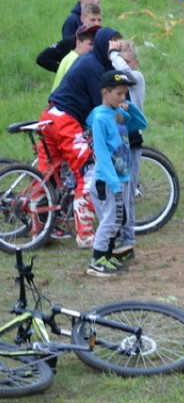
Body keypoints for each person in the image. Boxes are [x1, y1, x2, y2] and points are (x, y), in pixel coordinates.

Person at [40, 26, 124, 248]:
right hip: (64, 121)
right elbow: (102, 106)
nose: (116, 49)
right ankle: (86, 235)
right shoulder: (94, 66)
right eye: (112, 44)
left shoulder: (92, 61)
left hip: (51, 115)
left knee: (47, 174)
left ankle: (38, 228)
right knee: (88, 171)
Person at [85, 70, 148, 277]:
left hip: (122, 177)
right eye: (119, 94)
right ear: (105, 92)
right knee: (110, 220)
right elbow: (102, 154)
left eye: (124, 94)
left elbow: (141, 124)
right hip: (108, 180)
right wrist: (113, 183)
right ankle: (96, 260)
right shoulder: (100, 118)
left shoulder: (118, 114)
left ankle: (108, 254)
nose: (123, 97)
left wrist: (130, 108)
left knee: (119, 220)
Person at [109, 40, 146, 259]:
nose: (121, 66)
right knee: (119, 193)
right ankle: (118, 236)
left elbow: (124, 72)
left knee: (128, 193)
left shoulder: (136, 77)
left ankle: (128, 238)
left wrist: (113, 53)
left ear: (135, 63)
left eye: (127, 61)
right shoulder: (117, 83)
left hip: (132, 142)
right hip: (118, 143)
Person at [39, 3, 103, 73]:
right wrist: (64, 71)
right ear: (82, 18)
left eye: (99, 20)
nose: (97, 23)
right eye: (92, 20)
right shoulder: (70, 42)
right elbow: (42, 58)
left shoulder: (103, 40)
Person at [51, 23, 100, 91]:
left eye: (96, 43)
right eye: (90, 44)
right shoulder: (74, 60)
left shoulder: (72, 56)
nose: (94, 47)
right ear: (78, 43)